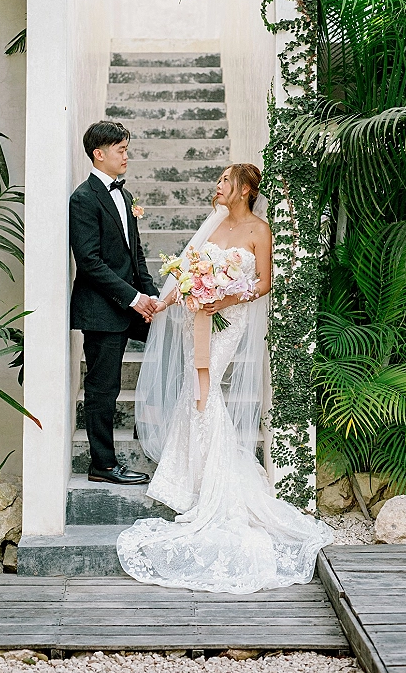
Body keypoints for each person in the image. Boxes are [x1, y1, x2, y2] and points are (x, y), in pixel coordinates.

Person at [117, 164, 333, 593]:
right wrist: (168, 301)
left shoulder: (259, 229)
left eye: (224, 182)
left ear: (246, 189)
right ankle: (190, 476)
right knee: (196, 389)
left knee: (206, 386)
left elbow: (265, 283)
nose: (217, 188)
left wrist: (225, 297)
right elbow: (187, 270)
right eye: (218, 182)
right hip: (194, 319)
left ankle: (210, 482)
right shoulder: (213, 222)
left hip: (227, 320)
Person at [69, 121, 162, 486]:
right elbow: (89, 262)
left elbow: (134, 253)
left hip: (131, 303)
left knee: (173, 340)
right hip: (102, 309)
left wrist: (150, 294)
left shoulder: (123, 196)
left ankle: (150, 427)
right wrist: (133, 298)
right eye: (121, 150)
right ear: (99, 153)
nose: (126, 156)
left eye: (126, 149)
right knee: (103, 388)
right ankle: (103, 465)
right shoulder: (83, 198)